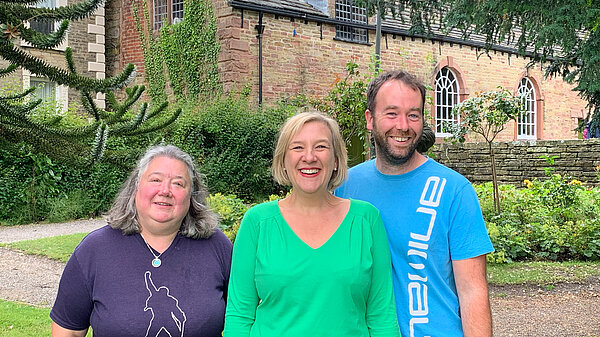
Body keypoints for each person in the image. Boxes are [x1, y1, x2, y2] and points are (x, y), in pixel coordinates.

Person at [335, 70, 494, 337]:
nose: (403, 125)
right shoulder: (345, 187)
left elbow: (472, 292)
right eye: (391, 113)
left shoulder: (454, 191)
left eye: (413, 114)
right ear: (370, 119)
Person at [224, 112, 399, 337]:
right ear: (283, 160)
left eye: (321, 147)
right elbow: (240, 314)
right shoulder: (257, 222)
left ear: (336, 160)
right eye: (297, 147)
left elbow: (381, 315)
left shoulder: (366, 220)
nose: (309, 157)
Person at [50, 144, 232, 337]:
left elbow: (243, 316)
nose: (165, 190)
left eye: (178, 183)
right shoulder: (94, 250)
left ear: (191, 195)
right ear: (136, 188)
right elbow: (68, 331)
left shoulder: (217, 246)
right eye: (155, 180)